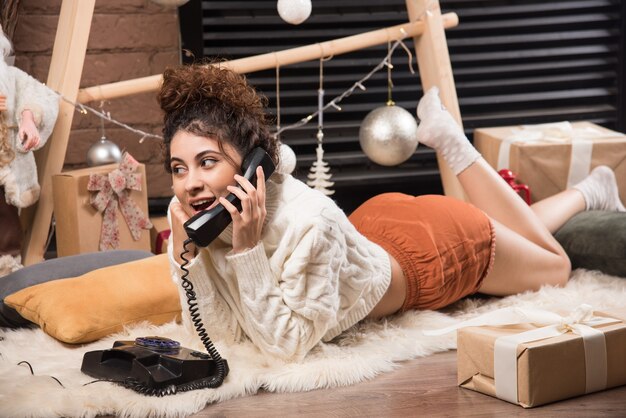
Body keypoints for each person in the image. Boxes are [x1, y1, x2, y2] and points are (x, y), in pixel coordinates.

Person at [158, 63, 625, 362]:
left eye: (208, 162)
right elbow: (222, 334)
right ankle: (596, 186)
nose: (190, 183)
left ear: (251, 165)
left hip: (434, 253)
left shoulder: (308, 221)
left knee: (557, 266)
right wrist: (190, 260)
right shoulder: (210, 221)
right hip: (375, 228)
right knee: (523, 238)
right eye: (179, 168)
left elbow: (285, 346)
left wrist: (246, 251)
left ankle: (467, 151)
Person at [0, 25, 59, 276]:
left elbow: (43, 95)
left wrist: (28, 116)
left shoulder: (10, 78)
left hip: (5, 166)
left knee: (5, 219)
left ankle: (6, 267)